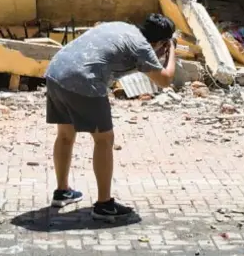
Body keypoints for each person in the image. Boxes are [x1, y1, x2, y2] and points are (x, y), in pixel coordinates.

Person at [45, 14, 176, 221]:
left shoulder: (122, 26)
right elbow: (165, 79)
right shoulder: (142, 47)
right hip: (83, 80)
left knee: (65, 135)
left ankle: (62, 192)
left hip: (55, 73)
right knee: (104, 140)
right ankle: (104, 204)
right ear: (160, 42)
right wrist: (171, 52)